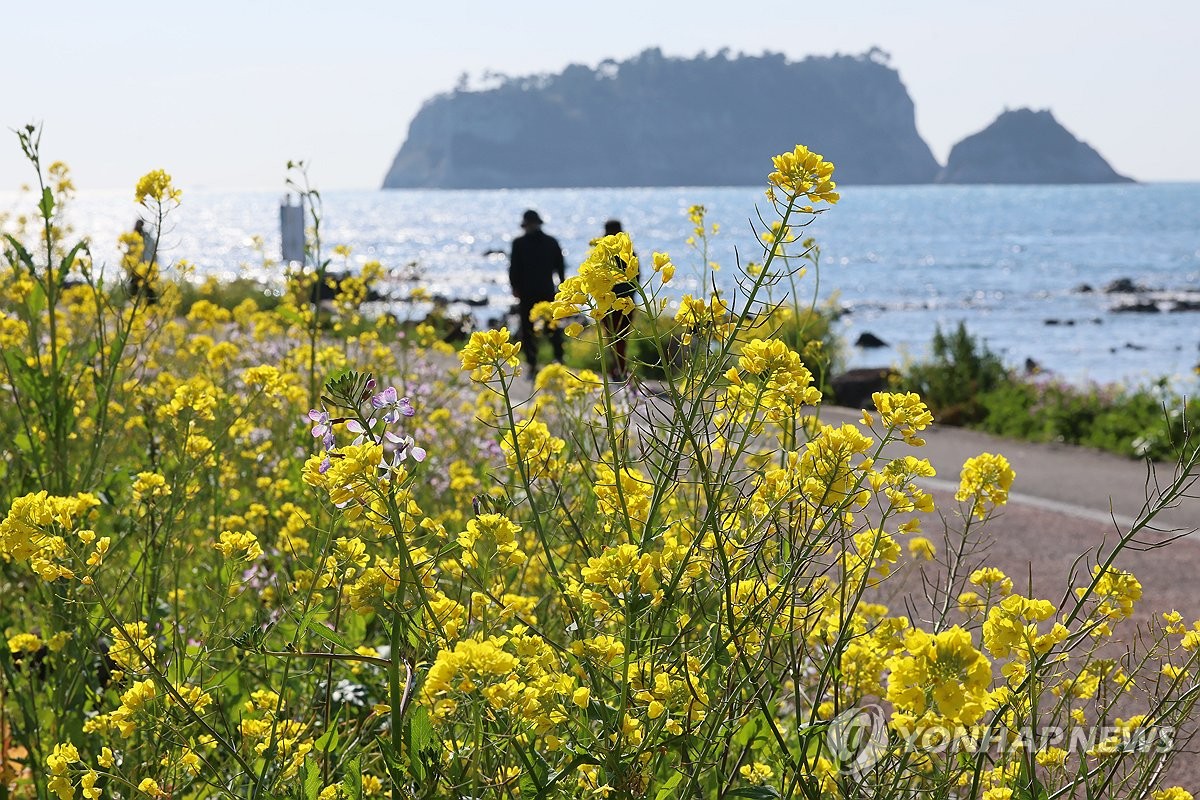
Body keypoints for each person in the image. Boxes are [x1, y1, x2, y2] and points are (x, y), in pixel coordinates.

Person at [509, 209, 565, 373]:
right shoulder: (550, 242)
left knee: (539, 327)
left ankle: (541, 360)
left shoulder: (520, 243)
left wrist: (514, 286)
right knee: (546, 327)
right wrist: (514, 287)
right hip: (541, 291)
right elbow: (560, 267)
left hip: (534, 292)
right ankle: (548, 359)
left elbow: (514, 269)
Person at [601, 219, 640, 381]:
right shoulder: (628, 252)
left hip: (615, 304)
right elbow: (637, 279)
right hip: (621, 303)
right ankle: (618, 369)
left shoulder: (610, 253)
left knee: (614, 339)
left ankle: (618, 369)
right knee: (618, 339)